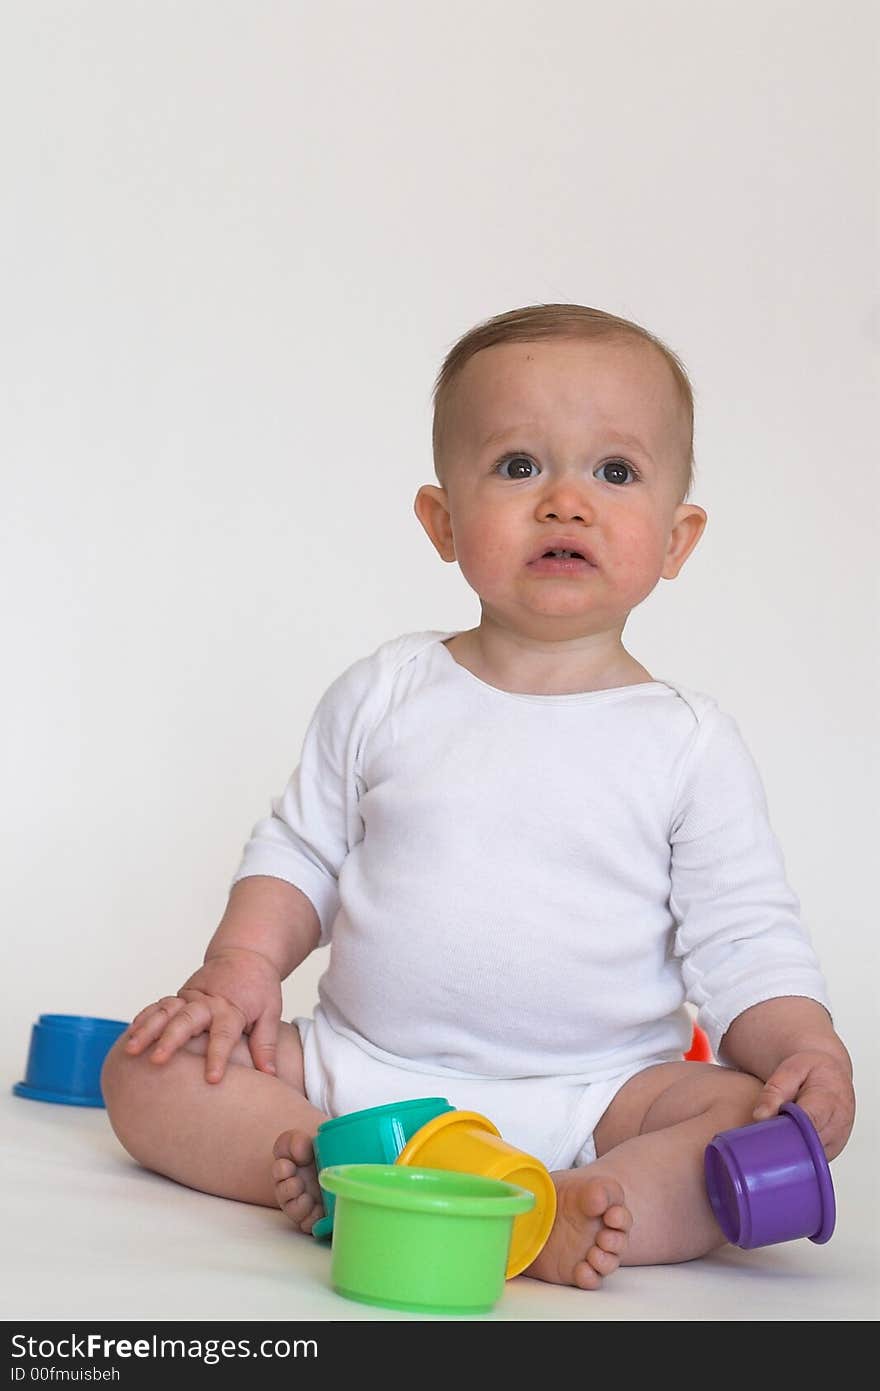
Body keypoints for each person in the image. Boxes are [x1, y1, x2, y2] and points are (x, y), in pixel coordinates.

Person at [102, 303, 855, 1290]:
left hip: (598, 1097)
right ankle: (333, 1160)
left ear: (676, 539)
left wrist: (806, 1045)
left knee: (745, 1119)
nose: (565, 503)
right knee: (145, 1070)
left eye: (613, 471)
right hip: (361, 1076)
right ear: (443, 521)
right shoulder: (387, 691)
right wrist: (237, 969)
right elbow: (300, 851)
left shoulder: (688, 743)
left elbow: (744, 933)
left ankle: (563, 1204)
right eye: (518, 466)